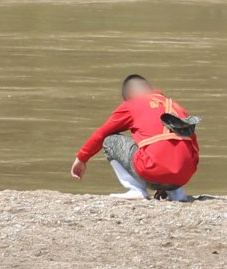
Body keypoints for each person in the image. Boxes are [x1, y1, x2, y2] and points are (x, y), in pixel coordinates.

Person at [70, 75, 200, 201]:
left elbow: (101, 134)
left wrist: (82, 158)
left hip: (153, 172)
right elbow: (193, 147)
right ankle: (176, 193)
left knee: (109, 140)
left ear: (130, 95)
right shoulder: (176, 107)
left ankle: (136, 190)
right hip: (183, 176)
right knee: (173, 144)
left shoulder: (132, 105)